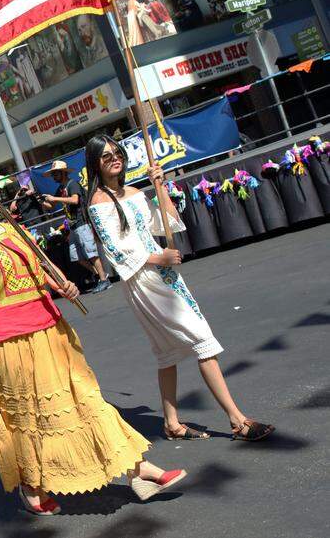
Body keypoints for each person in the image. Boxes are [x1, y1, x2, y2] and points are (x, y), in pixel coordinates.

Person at [0, 168, 185, 514]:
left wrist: (59, 284)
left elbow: (34, 268)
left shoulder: (12, 230)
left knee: (87, 400)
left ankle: (140, 470)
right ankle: (32, 490)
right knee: (29, 418)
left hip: (48, 328)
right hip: (8, 340)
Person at [83, 135, 275, 442]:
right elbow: (114, 251)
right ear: (95, 163)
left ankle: (171, 423)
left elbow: (167, 223)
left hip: (165, 274)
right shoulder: (97, 201)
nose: (114, 159)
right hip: (143, 280)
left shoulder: (133, 192)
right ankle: (237, 420)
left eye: (116, 153)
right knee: (202, 339)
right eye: (105, 156)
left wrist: (159, 186)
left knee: (167, 351)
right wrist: (158, 256)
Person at [41, 160, 111, 293]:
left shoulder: (72, 184)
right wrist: (43, 202)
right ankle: (99, 275)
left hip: (82, 222)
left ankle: (104, 279)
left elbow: (75, 200)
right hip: (73, 226)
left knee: (91, 253)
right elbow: (51, 206)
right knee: (76, 257)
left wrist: (54, 199)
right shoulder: (61, 188)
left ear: (63, 173)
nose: (54, 176)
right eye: (53, 174)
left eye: (55, 173)